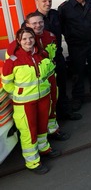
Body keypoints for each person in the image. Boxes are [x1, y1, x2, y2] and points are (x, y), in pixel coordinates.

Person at [2, 27, 60, 174]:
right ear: (19, 41)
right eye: (24, 39)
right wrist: (20, 93)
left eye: (31, 38)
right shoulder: (13, 61)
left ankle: (44, 148)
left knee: (42, 126)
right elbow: (7, 84)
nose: (28, 41)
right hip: (25, 103)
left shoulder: (41, 54)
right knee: (29, 131)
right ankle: (32, 161)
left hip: (43, 99)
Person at [33, 0, 81, 121]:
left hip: (57, 57)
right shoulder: (33, 20)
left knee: (62, 86)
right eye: (44, 1)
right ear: (37, 1)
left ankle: (66, 112)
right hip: (43, 62)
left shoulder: (55, 14)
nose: (47, 3)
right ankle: (53, 118)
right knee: (49, 91)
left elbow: (65, 29)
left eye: (49, 1)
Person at [25, 12, 68, 141]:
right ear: (27, 25)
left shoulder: (50, 36)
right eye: (34, 23)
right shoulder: (24, 40)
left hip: (50, 78)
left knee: (52, 104)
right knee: (39, 112)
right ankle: (42, 137)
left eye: (40, 22)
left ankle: (53, 130)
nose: (38, 25)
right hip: (35, 84)